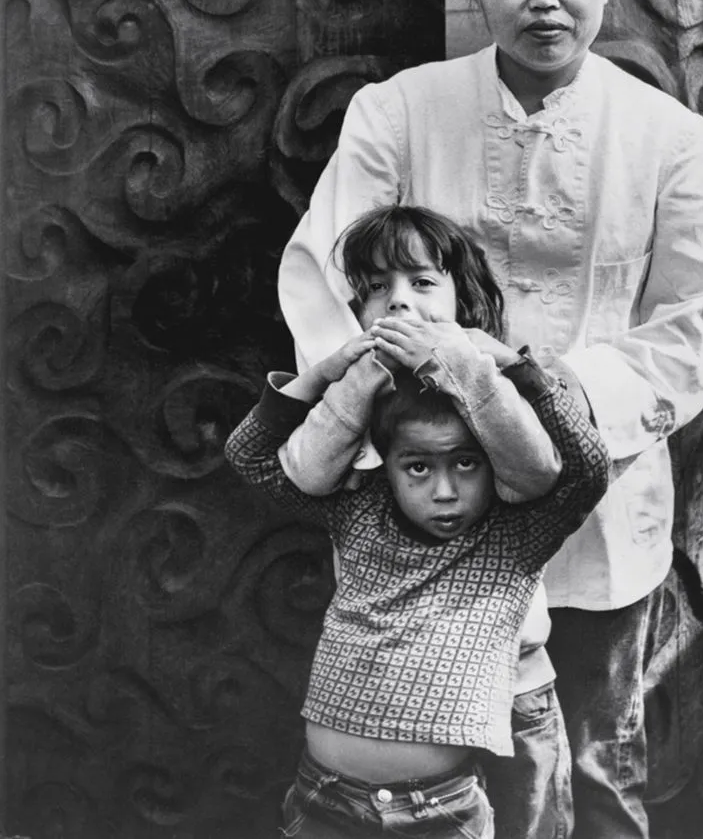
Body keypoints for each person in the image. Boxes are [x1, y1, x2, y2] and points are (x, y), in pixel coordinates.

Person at [277, 0, 703, 836]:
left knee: (592, 762)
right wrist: (400, 436)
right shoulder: (399, 113)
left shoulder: (669, 139)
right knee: (443, 783)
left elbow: (691, 325)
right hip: (429, 516)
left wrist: (551, 402)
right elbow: (329, 278)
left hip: (592, 502)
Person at [226, 203, 610, 839]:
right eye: (377, 289)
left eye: (422, 282)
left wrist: (500, 363)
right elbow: (252, 458)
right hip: (322, 798)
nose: (444, 490)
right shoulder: (361, 503)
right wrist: (328, 373)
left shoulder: (510, 531)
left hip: (451, 794)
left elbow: (581, 469)